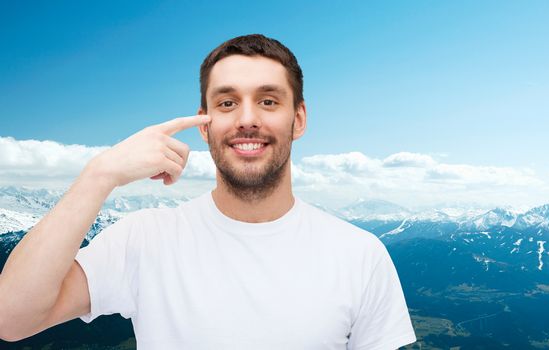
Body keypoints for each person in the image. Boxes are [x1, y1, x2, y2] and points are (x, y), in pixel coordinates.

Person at [0, 34, 417, 349]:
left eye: (269, 101)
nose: (247, 119)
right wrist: (99, 174)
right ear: (204, 123)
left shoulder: (360, 255)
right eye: (227, 103)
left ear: (299, 119)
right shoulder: (144, 239)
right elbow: (12, 317)